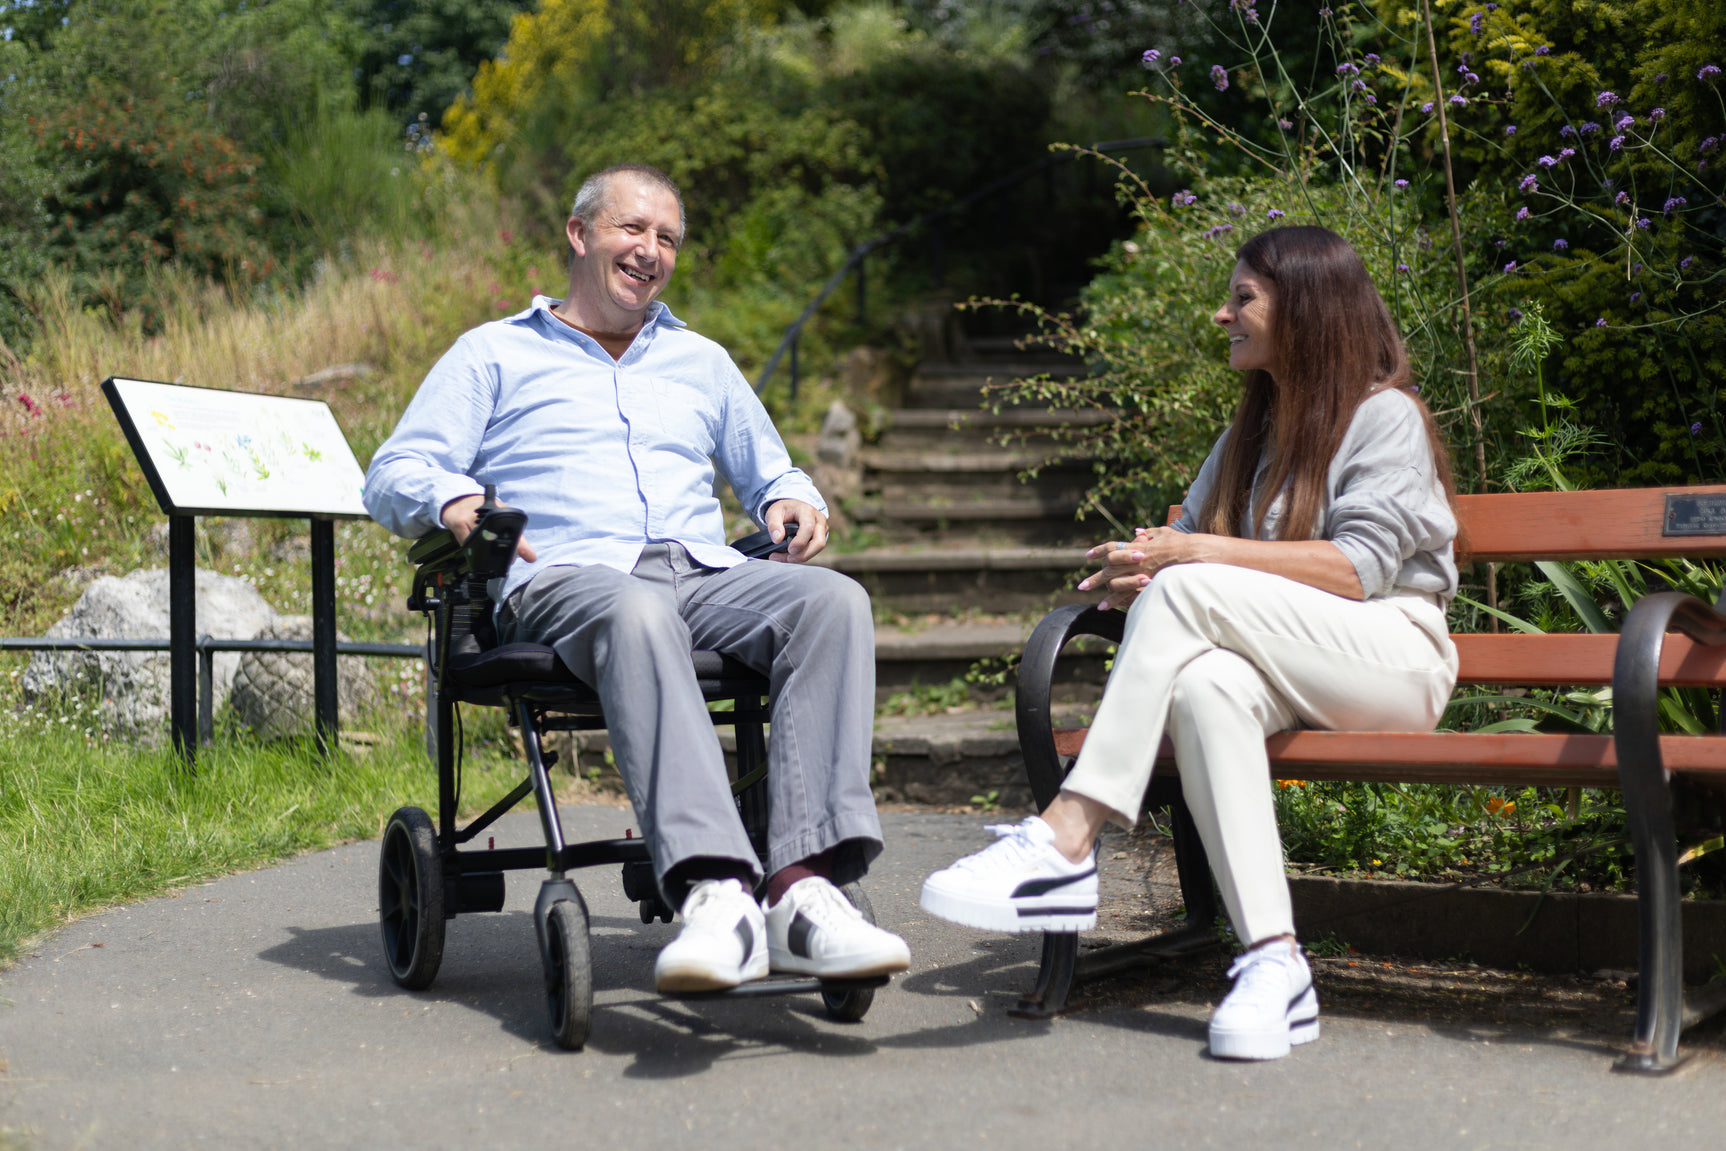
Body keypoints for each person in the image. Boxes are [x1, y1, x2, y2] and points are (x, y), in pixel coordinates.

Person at [365, 162, 909, 995]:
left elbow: (774, 472)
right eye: (633, 229)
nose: (651, 250)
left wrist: (793, 498)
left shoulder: (701, 362)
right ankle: (716, 890)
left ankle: (804, 893)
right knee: (634, 608)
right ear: (580, 236)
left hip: (698, 572)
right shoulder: (494, 353)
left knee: (834, 601)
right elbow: (394, 468)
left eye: (667, 239)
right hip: (569, 579)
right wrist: (455, 498)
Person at [920, 225, 1458, 1060]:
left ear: (1308, 308)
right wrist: (1145, 568)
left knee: (1188, 583)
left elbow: (1358, 571)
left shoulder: (1385, 416)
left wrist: (1189, 560)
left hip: (1395, 658)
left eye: (1243, 297)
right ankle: (1274, 963)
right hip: (1288, 659)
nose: (1223, 314)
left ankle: (1070, 833)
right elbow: (1192, 551)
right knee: (1205, 686)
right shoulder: (1253, 428)